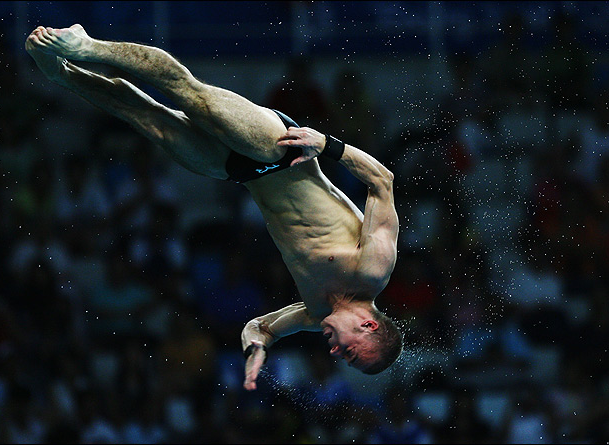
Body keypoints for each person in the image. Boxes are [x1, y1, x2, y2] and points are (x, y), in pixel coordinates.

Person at [25, 24, 403, 391]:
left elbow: (261, 326)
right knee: (191, 94)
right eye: (349, 353)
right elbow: (382, 181)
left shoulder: (318, 312)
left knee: (149, 120)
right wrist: (327, 144)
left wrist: (257, 348)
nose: (335, 351)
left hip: (240, 173)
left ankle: (64, 73)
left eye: (342, 358)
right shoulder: (373, 269)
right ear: (369, 326)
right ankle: (86, 46)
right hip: (279, 149)